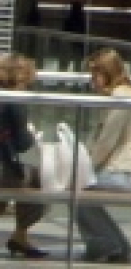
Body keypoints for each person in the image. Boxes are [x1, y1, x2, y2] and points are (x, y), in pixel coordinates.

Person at [77, 49, 131, 263]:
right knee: (82, 187)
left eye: (95, 75)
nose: (92, 82)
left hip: (129, 174)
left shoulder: (121, 96)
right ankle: (116, 244)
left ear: (107, 73)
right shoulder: (130, 92)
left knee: (77, 190)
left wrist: (82, 170)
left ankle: (107, 245)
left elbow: (106, 141)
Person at [0, 54, 47, 259]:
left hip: (8, 157)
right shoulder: (14, 99)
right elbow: (20, 136)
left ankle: (20, 237)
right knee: (37, 192)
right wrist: (34, 160)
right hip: (11, 159)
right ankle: (20, 235)